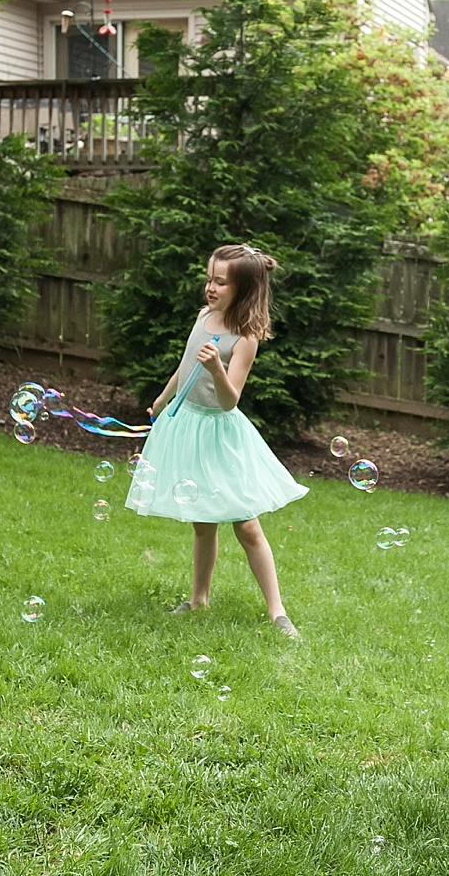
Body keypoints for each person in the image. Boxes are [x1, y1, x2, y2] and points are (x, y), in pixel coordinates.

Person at [132, 244, 307, 639]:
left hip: (219, 433)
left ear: (242, 289)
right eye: (209, 278)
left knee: (245, 525)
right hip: (188, 426)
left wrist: (215, 368)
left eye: (221, 282)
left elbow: (230, 401)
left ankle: (276, 610)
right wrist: (162, 400)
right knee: (202, 522)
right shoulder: (203, 317)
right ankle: (199, 599)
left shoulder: (245, 338)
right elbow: (183, 366)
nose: (211, 287)